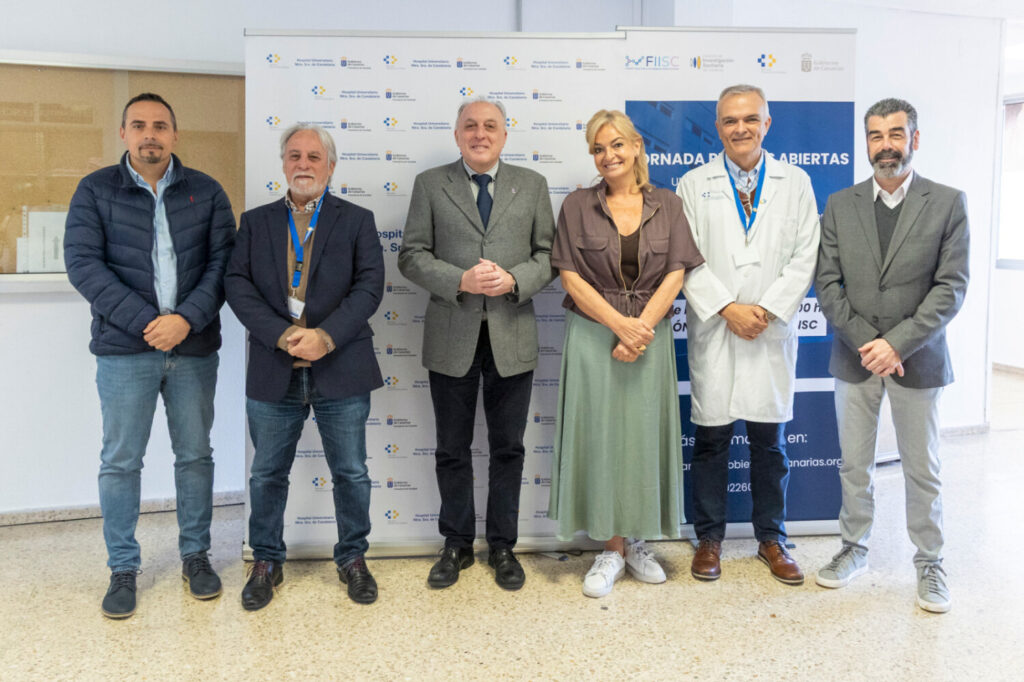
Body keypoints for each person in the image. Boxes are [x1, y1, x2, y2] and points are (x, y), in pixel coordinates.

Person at [64, 93, 236, 619]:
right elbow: (84, 265)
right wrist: (147, 323)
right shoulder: (95, 190)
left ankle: (196, 556)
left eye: (160, 125)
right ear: (123, 133)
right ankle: (122, 567)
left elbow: (223, 265)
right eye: (139, 125)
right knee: (120, 462)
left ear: (175, 135)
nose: (150, 134)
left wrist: (185, 319)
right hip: (124, 352)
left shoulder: (206, 192)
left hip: (194, 346)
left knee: (195, 456)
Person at [814, 98, 969, 613]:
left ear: (914, 140)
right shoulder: (839, 204)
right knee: (854, 465)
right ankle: (852, 548)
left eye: (896, 134)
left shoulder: (947, 202)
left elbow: (951, 288)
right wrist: (868, 343)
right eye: (876, 136)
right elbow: (828, 285)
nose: (886, 145)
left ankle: (930, 562)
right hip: (855, 356)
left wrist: (896, 344)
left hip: (916, 359)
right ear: (866, 143)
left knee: (921, 468)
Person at [398, 97, 556, 591]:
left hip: (512, 334)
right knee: (452, 447)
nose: (480, 133)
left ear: (505, 136)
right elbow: (411, 254)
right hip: (452, 334)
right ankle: (457, 544)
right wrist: (459, 279)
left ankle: (503, 545)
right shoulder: (430, 184)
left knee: (508, 447)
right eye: (471, 126)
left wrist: (512, 279)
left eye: (490, 126)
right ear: (457, 134)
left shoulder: (531, 185)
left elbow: (548, 256)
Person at [225, 123, 385, 609]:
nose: (303, 165)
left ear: (330, 166)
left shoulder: (357, 219)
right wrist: (283, 335)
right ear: (283, 165)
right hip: (275, 366)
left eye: (314, 157)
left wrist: (325, 336)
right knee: (267, 474)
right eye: (294, 155)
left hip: (341, 365)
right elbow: (237, 285)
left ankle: (353, 558)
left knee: (351, 472)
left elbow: (369, 287)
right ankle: (267, 561)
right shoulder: (254, 223)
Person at [548, 110, 704, 597]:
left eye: (616, 144)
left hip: (650, 337)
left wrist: (641, 330)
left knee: (641, 439)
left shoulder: (670, 205)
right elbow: (569, 275)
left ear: (636, 146)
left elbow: (677, 272)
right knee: (600, 438)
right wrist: (620, 326)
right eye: (598, 148)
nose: (608, 155)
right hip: (594, 336)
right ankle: (610, 549)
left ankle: (636, 541)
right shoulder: (576, 205)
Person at [676, 84, 819, 585]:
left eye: (750, 119)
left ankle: (771, 539)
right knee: (711, 441)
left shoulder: (795, 182)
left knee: (769, 443)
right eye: (730, 120)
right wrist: (727, 308)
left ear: (766, 124)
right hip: (718, 326)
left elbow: (806, 255)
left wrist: (767, 309)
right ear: (718, 127)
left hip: (769, 331)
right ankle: (709, 538)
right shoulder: (694, 184)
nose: (741, 128)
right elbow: (685, 257)